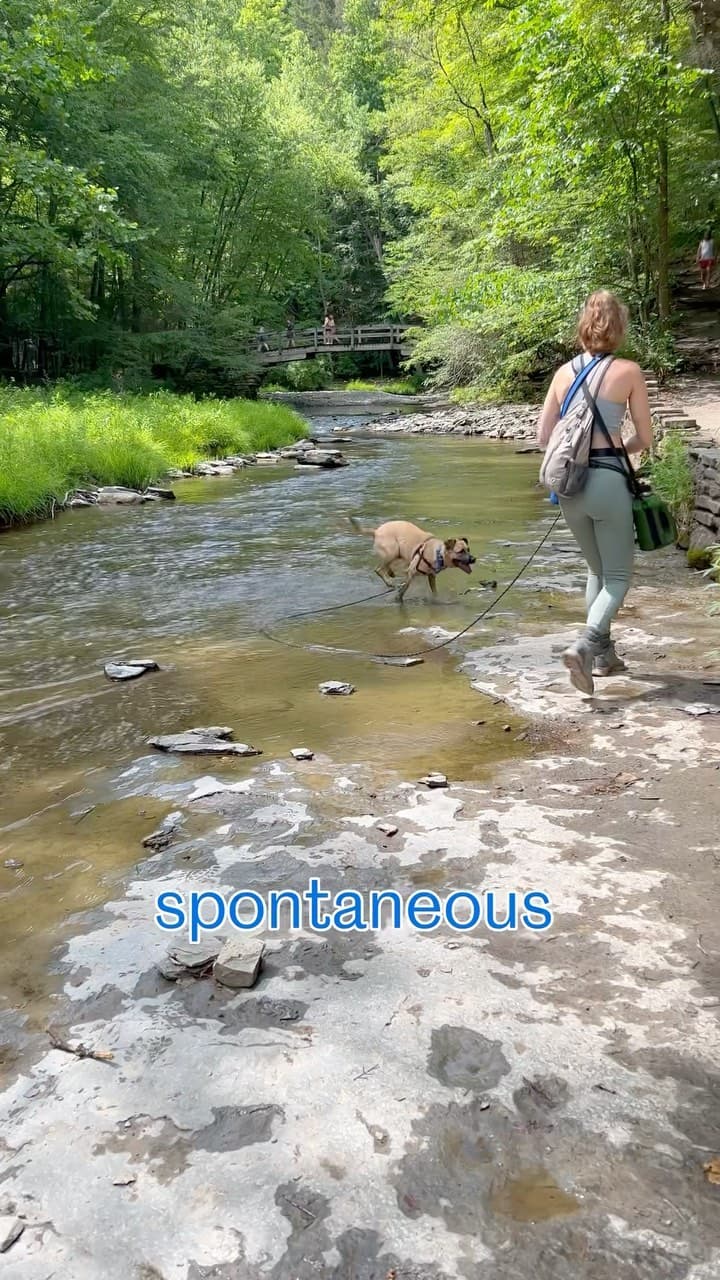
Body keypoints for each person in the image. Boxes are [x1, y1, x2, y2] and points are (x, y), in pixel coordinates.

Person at [536, 290, 653, 695]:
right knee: (618, 576)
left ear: (583, 327)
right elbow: (645, 438)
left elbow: (543, 436)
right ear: (618, 329)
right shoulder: (630, 371)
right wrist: (616, 446)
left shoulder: (563, 373)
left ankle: (604, 658)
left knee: (596, 571)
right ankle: (585, 646)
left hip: (569, 487)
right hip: (607, 482)